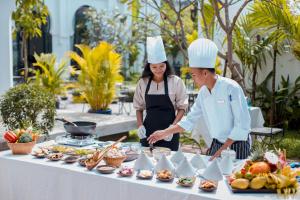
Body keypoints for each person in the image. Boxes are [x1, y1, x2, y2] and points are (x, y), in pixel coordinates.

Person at [148, 38, 251, 160]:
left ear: (205, 73)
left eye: (194, 75)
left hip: (236, 145)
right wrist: (164, 132)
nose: (193, 79)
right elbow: (190, 120)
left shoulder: (231, 88)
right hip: (217, 143)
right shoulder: (203, 92)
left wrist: (222, 150)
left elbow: (242, 125)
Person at [133, 36, 188, 151]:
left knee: (167, 166)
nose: (158, 70)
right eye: (154, 67)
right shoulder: (143, 83)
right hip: (148, 131)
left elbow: (182, 108)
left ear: (166, 64)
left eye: (162, 66)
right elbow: (139, 107)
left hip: (169, 131)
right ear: (149, 66)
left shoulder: (176, 81)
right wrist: (140, 125)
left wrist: (172, 127)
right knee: (147, 164)